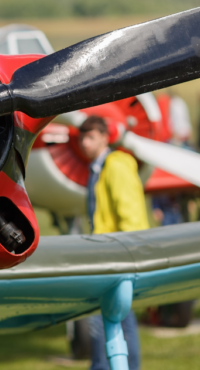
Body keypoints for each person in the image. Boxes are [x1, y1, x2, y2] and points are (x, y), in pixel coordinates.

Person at [79, 116, 148, 370]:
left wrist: (131, 256)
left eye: (91, 137)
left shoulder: (115, 166)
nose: (85, 143)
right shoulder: (98, 168)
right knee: (114, 321)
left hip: (118, 258)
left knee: (115, 322)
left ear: (105, 138)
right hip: (106, 257)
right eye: (82, 138)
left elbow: (129, 215)